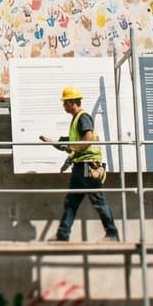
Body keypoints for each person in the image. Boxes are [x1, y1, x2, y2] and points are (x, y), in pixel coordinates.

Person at [40, 86, 120, 242]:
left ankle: (112, 234)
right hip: (81, 166)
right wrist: (55, 143)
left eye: (65, 103)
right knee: (72, 201)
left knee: (98, 200)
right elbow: (73, 142)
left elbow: (86, 140)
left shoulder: (83, 117)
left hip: (88, 166)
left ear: (71, 103)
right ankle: (63, 235)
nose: (64, 106)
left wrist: (71, 148)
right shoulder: (77, 119)